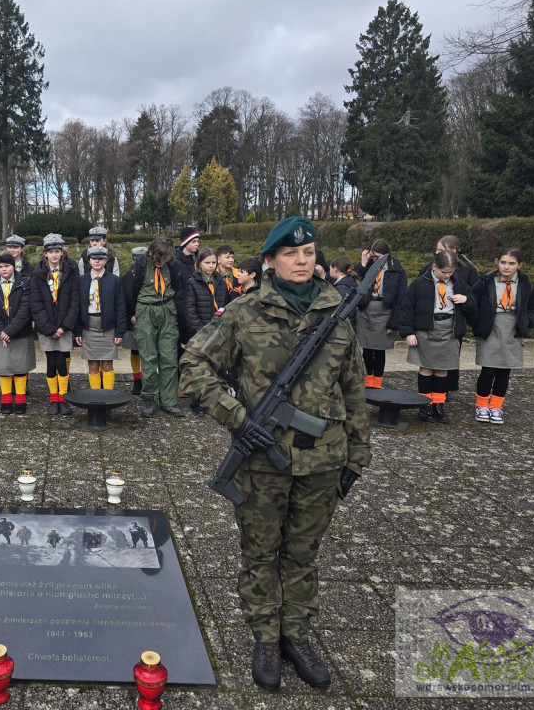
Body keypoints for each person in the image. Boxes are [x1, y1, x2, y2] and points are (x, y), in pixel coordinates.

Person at [179, 216, 371, 692]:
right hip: (263, 464)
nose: (302, 261)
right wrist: (238, 417)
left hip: (324, 460)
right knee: (261, 552)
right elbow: (193, 366)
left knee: (304, 554)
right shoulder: (245, 313)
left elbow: (354, 390)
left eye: (308, 253)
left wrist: (357, 456)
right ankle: (265, 636)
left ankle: (297, 635)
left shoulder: (337, 313)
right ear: (269, 261)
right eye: (291, 254)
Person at [395, 249, 478, 424]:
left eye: (451, 272)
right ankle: (424, 405)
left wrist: (466, 300)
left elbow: (473, 306)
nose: (447, 275)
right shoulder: (419, 284)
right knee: (426, 368)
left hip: (449, 329)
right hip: (427, 330)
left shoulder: (460, 284)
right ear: (434, 266)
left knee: (442, 369)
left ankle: (438, 405)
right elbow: (407, 308)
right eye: (443, 272)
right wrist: (408, 332)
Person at [471, 248, 534, 424]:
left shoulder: (526, 284)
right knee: (488, 370)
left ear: (519, 265)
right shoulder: (485, 281)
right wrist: (477, 322)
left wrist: (527, 322)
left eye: (511, 263)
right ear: (498, 263)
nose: (506, 267)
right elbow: (472, 302)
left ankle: (496, 406)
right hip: (491, 328)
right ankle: (481, 405)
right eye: (503, 262)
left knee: (504, 371)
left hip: (513, 329)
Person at [124, 236, 190, 418]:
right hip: (145, 312)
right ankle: (149, 398)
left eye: (165, 259)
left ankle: (169, 400)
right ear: (150, 253)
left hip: (167, 311)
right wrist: (132, 314)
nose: (161, 263)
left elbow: (182, 288)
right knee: (148, 358)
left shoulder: (174, 266)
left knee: (169, 357)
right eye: (158, 259)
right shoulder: (139, 266)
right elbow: (129, 291)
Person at [421, 235, 478, 393]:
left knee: (450, 357)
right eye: (437, 249)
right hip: (432, 321)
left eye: (440, 249)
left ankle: (446, 389)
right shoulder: (429, 267)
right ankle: (429, 388)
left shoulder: (467, 270)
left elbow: (474, 296)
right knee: (429, 359)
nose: (436, 252)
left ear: (453, 251)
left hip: (455, 321)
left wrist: (470, 317)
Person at [30, 233, 79, 415]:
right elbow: (35, 304)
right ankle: (53, 398)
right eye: (51, 252)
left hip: (64, 326)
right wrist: (49, 328)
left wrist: (64, 327)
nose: (54, 255)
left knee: (62, 363)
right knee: (51, 362)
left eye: (57, 251)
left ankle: (64, 397)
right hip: (47, 326)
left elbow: (75, 302)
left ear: (62, 252)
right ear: (45, 254)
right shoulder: (38, 274)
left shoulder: (70, 271)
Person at [0, 252, 35, 414]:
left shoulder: (24, 283)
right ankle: (6, 399)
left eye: (7, 266)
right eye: (0, 266)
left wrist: (9, 331)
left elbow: (25, 310)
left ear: (14, 266)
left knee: (20, 367)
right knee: (3, 366)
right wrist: (1, 331)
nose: (3, 269)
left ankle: (20, 399)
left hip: (20, 332)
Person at [353, 240, 406, 389]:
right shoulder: (370, 265)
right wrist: (363, 262)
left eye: (377, 257)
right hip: (367, 309)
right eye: (373, 257)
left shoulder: (397, 269)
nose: (375, 260)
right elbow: (355, 277)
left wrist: (394, 322)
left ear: (387, 255)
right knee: (367, 348)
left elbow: (400, 297)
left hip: (385, 311)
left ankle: (377, 382)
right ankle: (367, 381)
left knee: (380, 349)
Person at [183, 247, 230, 414]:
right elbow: (190, 311)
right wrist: (202, 331)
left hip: (217, 331)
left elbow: (224, 306)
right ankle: (197, 403)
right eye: (207, 263)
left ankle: (214, 401)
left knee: (216, 367)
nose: (211, 266)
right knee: (200, 369)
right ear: (199, 264)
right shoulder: (192, 282)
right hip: (200, 332)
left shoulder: (221, 281)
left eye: (213, 263)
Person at [75, 246, 126, 392]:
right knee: (93, 365)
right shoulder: (82, 280)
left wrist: (119, 331)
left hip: (108, 326)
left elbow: (120, 307)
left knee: (107, 364)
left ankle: (108, 396)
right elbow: (78, 307)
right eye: (94, 258)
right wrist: (78, 331)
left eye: (101, 258)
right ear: (89, 261)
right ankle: (95, 396)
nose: (97, 261)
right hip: (89, 325)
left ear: (106, 260)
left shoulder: (115, 280)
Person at [121, 246, 147, 395]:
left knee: (147, 351)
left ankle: (147, 378)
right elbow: (123, 299)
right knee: (135, 349)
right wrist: (130, 315)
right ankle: (137, 379)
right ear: (132, 259)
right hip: (131, 319)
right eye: (137, 259)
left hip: (147, 316)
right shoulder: (126, 277)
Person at [328, 256, 359, 322]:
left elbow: (339, 307)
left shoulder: (342, 287)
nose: (329, 271)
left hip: (345, 322)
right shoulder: (350, 281)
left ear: (335, 268)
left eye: (330, 269)